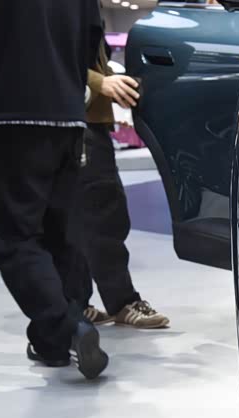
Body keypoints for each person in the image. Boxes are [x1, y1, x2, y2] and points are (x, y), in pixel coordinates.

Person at [0, 0, 109, 379]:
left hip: (11, 110)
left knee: (13, 234)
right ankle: (54, 341)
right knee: (60, 231)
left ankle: (67, 327)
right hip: (68, 112)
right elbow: (93, 33)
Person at [72, 37, 170, 329]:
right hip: (77, 120)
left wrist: (108, 84)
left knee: (80, 217)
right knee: (102, 214)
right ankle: (120, 302)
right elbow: (47, 53)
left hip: (80, 119)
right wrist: (98, 83)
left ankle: (78, 303)